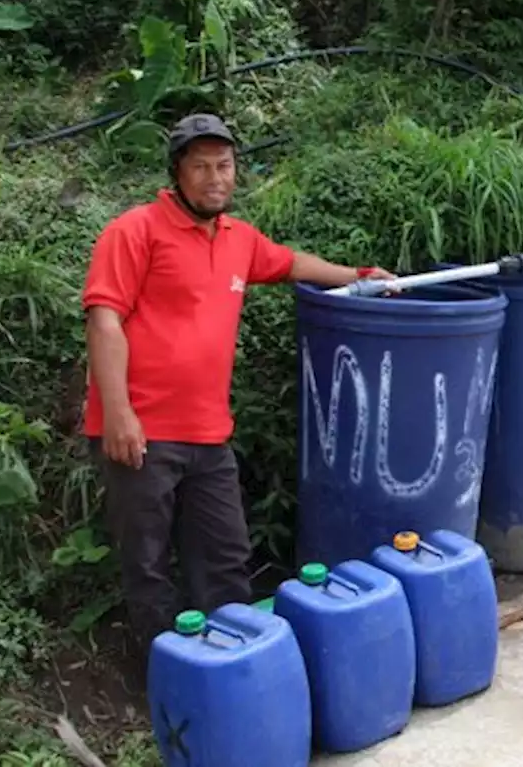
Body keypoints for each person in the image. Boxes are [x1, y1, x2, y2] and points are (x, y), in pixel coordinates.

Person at [80, 113, 396, 661]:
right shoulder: (133, 231)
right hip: (142, 431)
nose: (214, 177)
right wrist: (118, 413)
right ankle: (167, 678)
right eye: (199, 166)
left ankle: (235, 667)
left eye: (223, 165)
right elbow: (104, 319)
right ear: (176, 173)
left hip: (208, 435)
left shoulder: (238, 239)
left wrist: (356, 276)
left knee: (225, 556)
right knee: (148, 562)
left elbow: (291, 262)